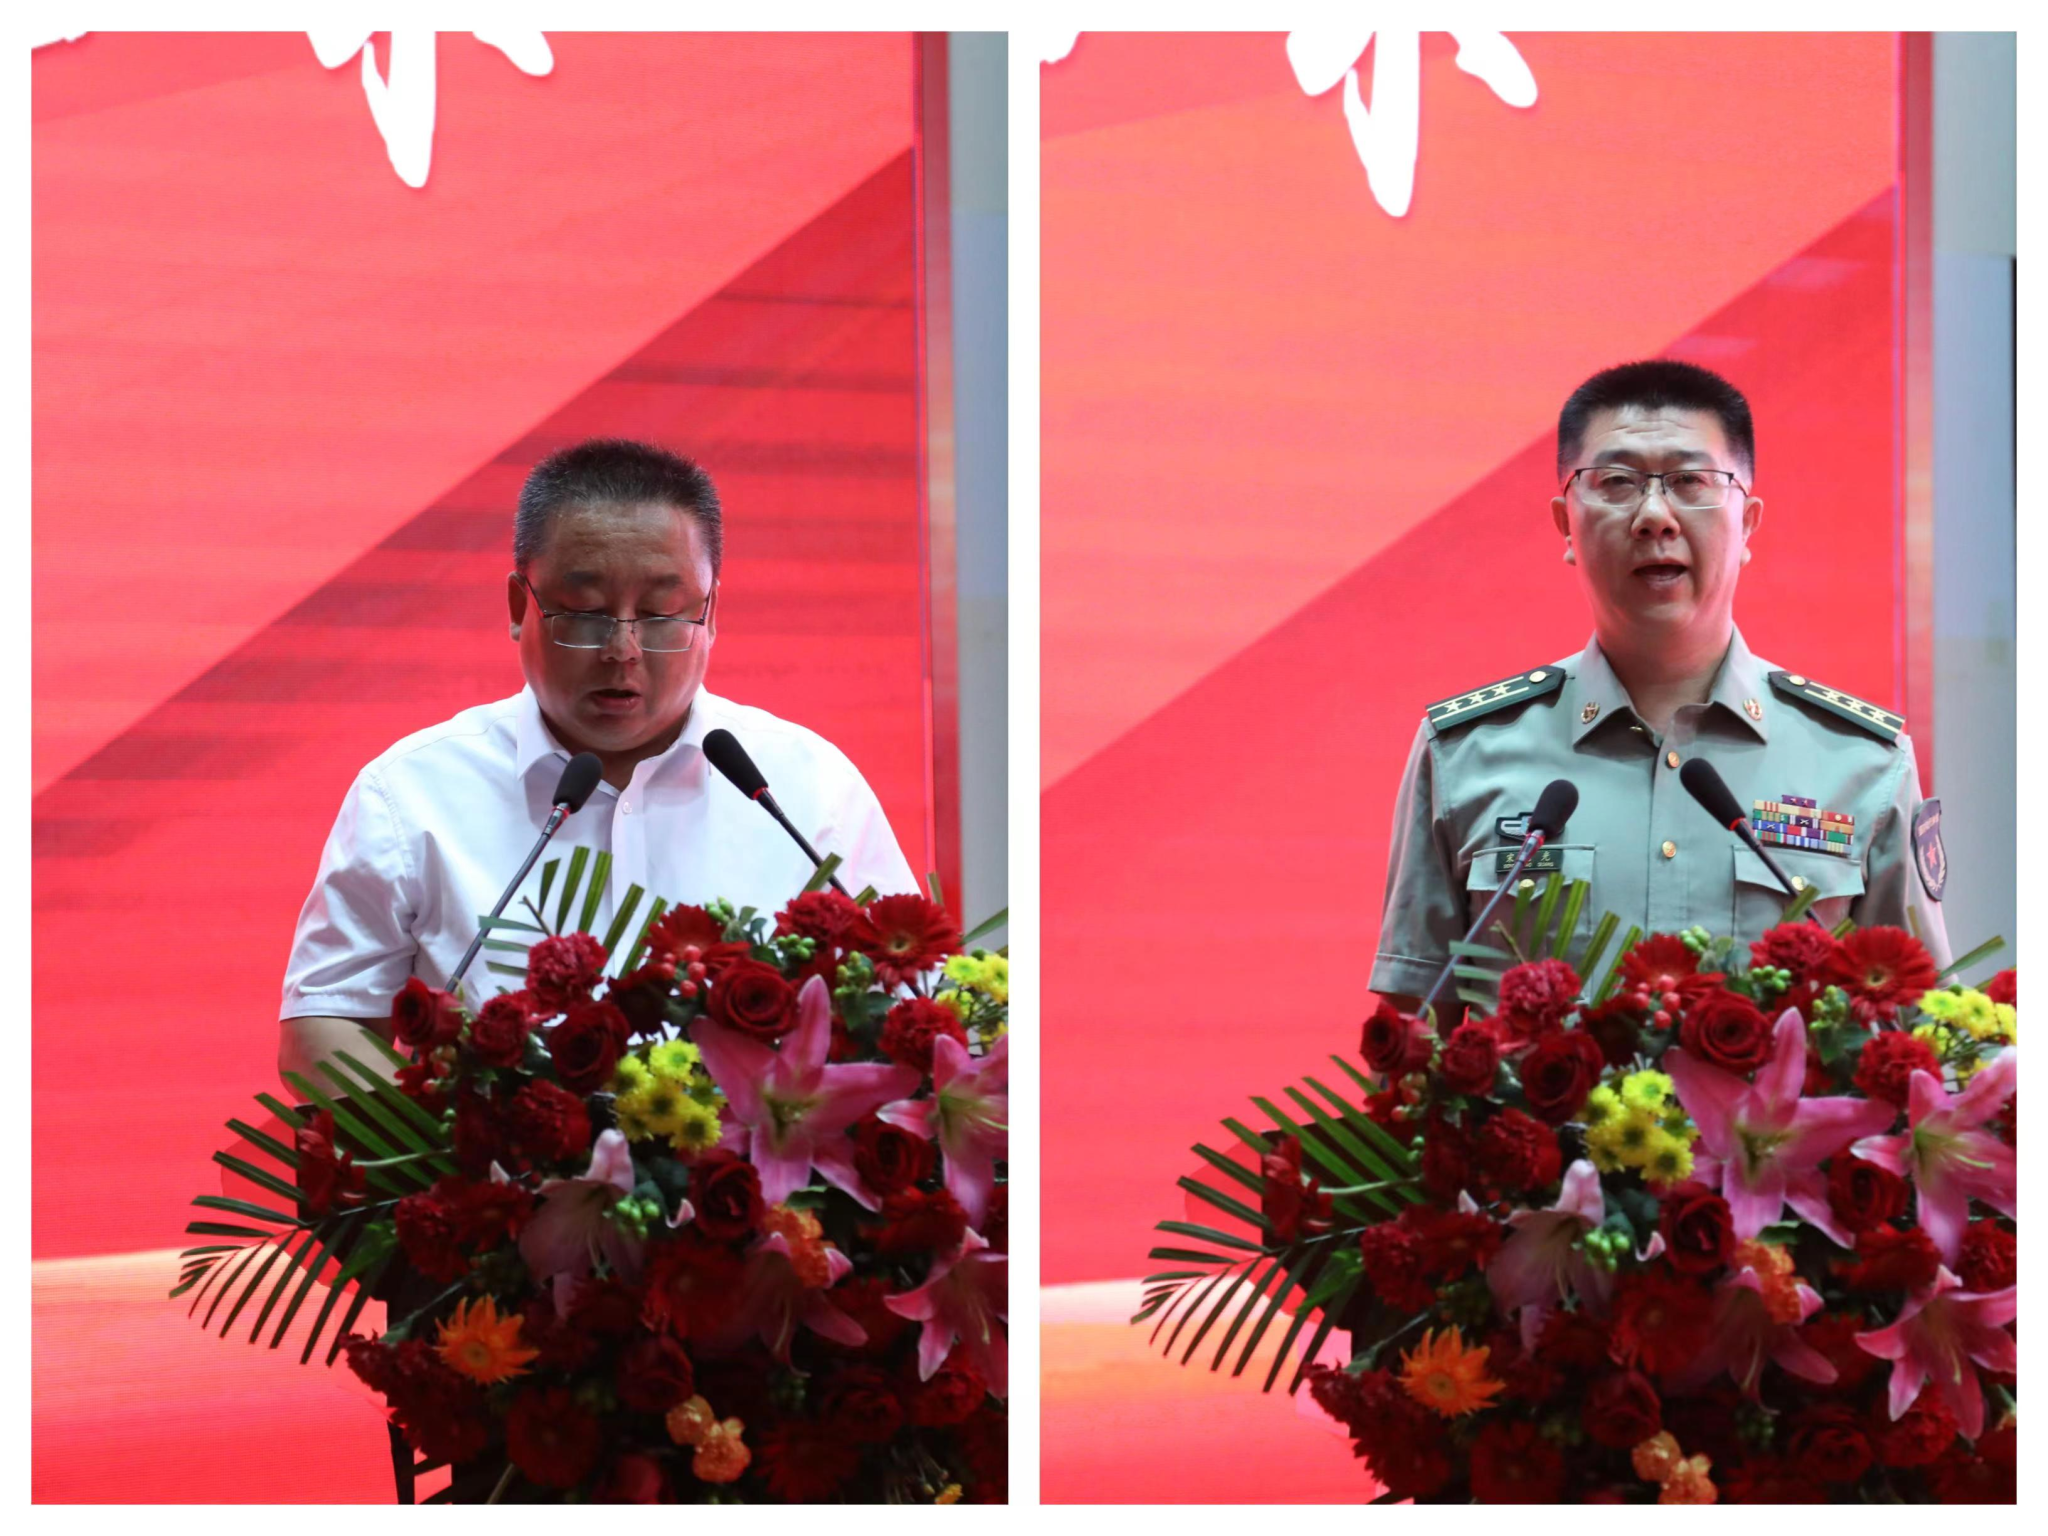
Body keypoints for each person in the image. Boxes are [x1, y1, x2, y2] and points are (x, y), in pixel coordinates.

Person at [279, 438, 918, 1087]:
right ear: (518, 607)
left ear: (710, 613)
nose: (622, 648)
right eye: (584, 613)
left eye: (661, 613)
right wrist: (446, 1137)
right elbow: (327, 1021)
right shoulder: (412, 794)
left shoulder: (808, 789)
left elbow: (915, 1003)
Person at [1369, 360, 1950, 1019]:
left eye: (1690, 481)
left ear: (1747, 522)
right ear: (1566, 525)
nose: (1654, 517)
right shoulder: (1464, 754)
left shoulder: (1862, 764)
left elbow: (1920, 1032)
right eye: (1616, 482)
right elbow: (1414, 1040)